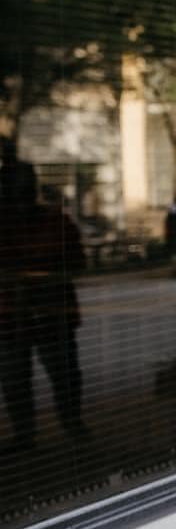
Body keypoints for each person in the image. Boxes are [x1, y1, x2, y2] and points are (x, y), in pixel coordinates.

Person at [0, 159, 89, 450]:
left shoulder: (56, 221)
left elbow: (77, 263)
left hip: (51, 313)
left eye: (25, 189)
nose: (20, 196)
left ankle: (73, 425)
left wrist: (41, 280)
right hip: (13, 316)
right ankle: (25, 435)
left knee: (64, 375)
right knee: (15, 379)